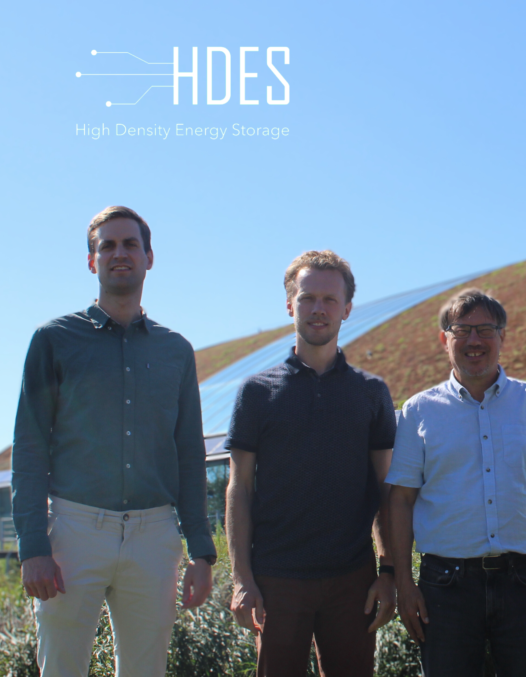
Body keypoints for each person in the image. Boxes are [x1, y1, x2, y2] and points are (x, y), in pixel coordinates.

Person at [12, 206, 216, 676]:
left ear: (149, 258)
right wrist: (34, 546)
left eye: (129, 244)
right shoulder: (53, 340)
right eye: (107, 245)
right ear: (91, 262)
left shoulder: (176, 351)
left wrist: (201, 551)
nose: (118, 253)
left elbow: (189, 454)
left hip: (155, 537)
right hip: (73, 534)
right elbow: (29, 448)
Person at [387, 288, 526, 677]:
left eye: (486, 330)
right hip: (445, 589)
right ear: (445, 340)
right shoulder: (418, 411)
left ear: (503, 337)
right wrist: (404, 584)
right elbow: (401, 500)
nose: (474, 340)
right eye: (462, 330)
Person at [226, 250, 397, 677]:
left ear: (347, 308)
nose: (318, 309)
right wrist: (242, 578)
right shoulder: (256, 393)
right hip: (276, 580)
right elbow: (239, 488)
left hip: (353, 579)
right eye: (307, 298)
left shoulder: (371, 393)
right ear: (290, 305)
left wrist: (390, 570)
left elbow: (387, 488)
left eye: (329, 299)